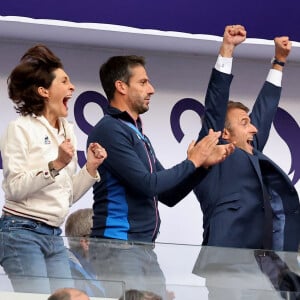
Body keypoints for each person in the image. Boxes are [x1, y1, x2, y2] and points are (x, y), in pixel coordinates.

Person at [87, 55, 234, 298]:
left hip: (143, 249)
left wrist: (201, 166)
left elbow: (168, 194)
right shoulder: (109, 129)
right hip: (117, 247)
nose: (151, 89)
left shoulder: (136, 133)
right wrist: (192, 161)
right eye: (143, 82)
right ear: (121, 86)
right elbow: (148, 185)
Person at [0, 44, 107, 294]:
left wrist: (91, 169)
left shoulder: (68, 130)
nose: (72, 87)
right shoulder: (20, 128)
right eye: (65, 82)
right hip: (20, 231)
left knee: (67, 298)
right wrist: (56, 164)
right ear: (43, 91)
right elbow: (14, 189)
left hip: (53, 235)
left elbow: (66, 195)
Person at [193, 24, 300, 251]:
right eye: (244, 123)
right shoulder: (212, 151)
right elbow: (215, 104)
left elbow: (266, 108)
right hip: (228, 262)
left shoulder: (251, 150)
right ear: (225, 133)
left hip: (267, 266)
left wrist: (279, 61)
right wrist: (227, 49)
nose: (254, 129)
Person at [65, 208, 105, 297]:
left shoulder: (97, 270)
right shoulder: (69, 274)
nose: (111, 243)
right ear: (86, 242)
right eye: (104, 238)